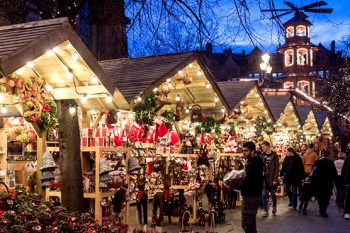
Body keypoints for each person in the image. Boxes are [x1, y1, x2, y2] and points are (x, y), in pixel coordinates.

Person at [238, 141, 264, 233]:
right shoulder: (252, 162)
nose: (244, 152)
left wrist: (238, 185)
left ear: (253, 151)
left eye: (246, 150)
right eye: (243, 150)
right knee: (250, 224)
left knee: (247, 224)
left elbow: (250, 181)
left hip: (251, 197)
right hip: (251, 196)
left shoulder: (254, 164)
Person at [313, 150, 337, 217]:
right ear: (329, 155)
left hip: (319, 182)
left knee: (320, 196)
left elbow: (314, 171)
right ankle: (324, 210)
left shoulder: (317, 162)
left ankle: (321, 208)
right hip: (328, 182)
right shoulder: (331, 162)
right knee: (327, 196)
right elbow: (334, 173)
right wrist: (334, 179)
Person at [260, 141, 279, 217]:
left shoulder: (274, 155)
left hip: (272, 178)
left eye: (264, 146)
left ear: (268, 146)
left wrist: (275, 179)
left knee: (273, 194)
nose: (263, 148)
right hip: (264, 179)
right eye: (262, 147)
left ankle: (274, 206)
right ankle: (265, 210)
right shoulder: (262, 155)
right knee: (264, 195)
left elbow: (277, 168)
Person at [341, 144, 350, 219]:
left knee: (348, 197)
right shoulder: (348, 158)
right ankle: (347, 211)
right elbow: (345, 170)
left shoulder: (348, 157)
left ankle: (347, 212)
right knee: (348, 197)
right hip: (349, 181)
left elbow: (343, 170)